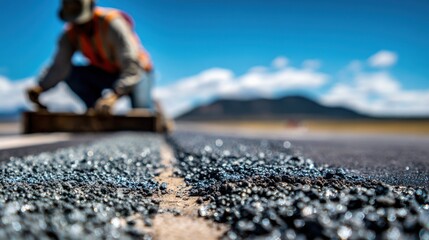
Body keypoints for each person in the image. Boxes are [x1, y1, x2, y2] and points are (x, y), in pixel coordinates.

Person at [27, 0, 154, 114]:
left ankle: (156, 112)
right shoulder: (70, 34)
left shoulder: (112, 23)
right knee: (72, 74)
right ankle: (95, 109)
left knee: (141, 113)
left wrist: (115, 95)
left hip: (136, 73)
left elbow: (131, 62)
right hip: (105, 74)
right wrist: (41, 87)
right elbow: (59, 67)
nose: (78, 26)